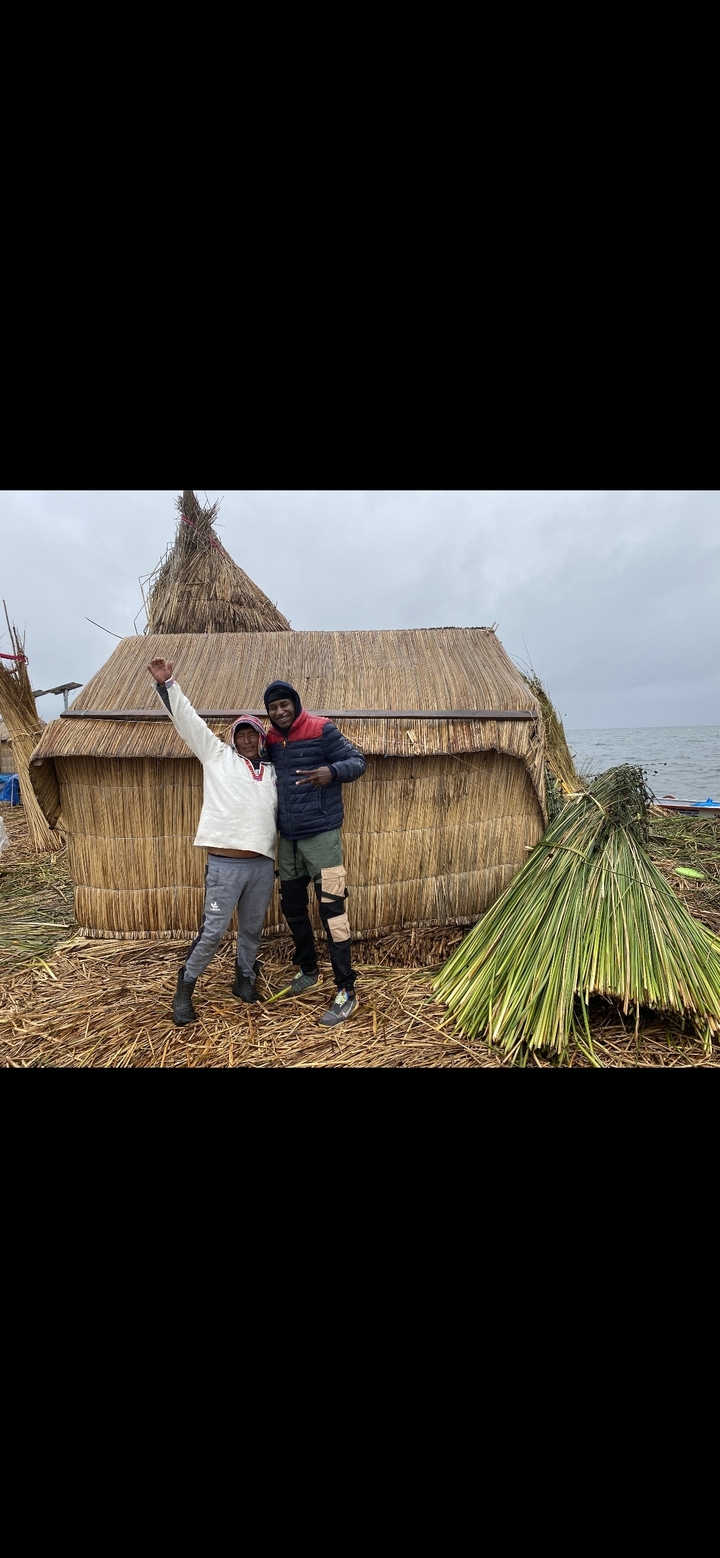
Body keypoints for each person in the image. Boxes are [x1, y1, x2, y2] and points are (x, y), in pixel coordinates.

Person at [147, 657, 278, 1027]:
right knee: (214, 932)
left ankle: (244, 980)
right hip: (225, 866)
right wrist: (168, 685)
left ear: (261, 739)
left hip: (262, 866)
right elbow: (188, 722)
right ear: (233, 738)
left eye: (254, 734)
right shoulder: (218, 757)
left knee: (253, 929)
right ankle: (184, 989)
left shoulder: (271, 773)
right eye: (242, 734)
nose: (248, 739)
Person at [263, 680, 366, 1027]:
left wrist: (332, 771)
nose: (280, 711)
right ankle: (308, 970)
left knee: (332, 912)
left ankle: (346, 991)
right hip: (288, 839)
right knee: (291, 905)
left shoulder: (322, 729)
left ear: (295, 703)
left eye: (284, 704)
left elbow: (358, 761)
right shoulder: (271, 740)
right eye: (273, 707)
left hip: (321, 835)